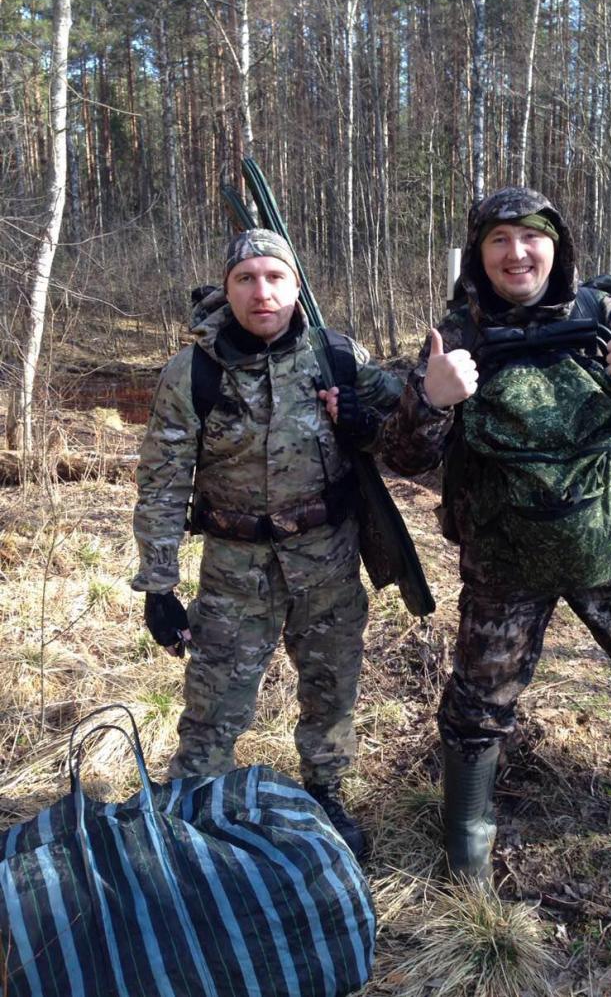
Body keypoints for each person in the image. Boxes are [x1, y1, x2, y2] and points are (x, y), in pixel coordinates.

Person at [381, 187, 611, 880]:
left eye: (531, 237)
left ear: (558, 245)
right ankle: (469, 825)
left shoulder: (610, 318)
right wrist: (431, 400)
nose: (516, 253)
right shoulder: (455, 338)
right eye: (498, 240)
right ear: (478, 255)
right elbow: (405, 459)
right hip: (504, 559)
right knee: (479, 701)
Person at [132, 228, 404, 859]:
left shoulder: (336, 355)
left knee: (332, 688)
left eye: (275, 277)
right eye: (246, 279)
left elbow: (410, 425)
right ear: (227, 291)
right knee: (214, 702)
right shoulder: (193, 372)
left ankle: (326, 793)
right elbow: (163, 482)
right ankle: (192, 814)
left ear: (296, 285)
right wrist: (159, 585)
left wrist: (366, 421)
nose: (262, 292)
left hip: (328, 562)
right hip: (235, 571)